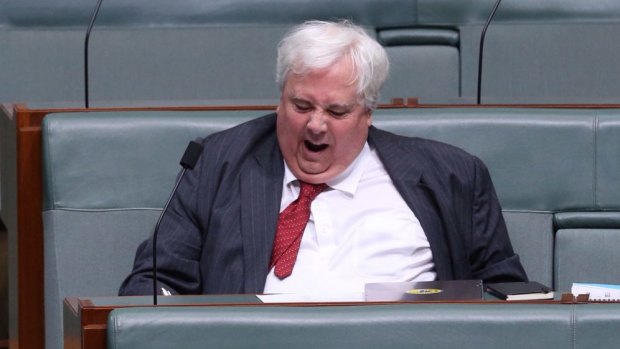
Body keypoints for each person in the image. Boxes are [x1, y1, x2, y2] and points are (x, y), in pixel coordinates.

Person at [119, 20, 527, 297]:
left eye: (336, 112)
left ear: (367, 114)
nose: (315, 126)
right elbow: (153, 283)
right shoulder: (218, 163)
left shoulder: (451, 175)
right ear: (280, 101)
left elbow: (505, 291)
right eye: (301, 106)